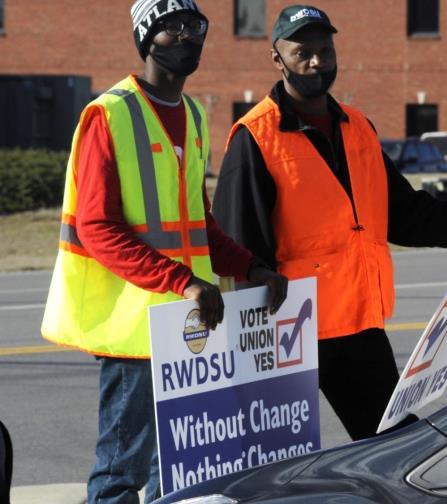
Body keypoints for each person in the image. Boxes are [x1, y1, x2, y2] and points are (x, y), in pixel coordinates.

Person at [213, 4, 447, 442]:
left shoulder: (358, 128)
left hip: (358, 327)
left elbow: (404, 213)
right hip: (285, 331)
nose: (317, 62)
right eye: (303, 52)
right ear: (277, 58)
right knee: (272, 460)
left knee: (394, 445)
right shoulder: (256, 137)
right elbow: (236, 243)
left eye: (325, 50)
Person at [40, 1, 288, 502]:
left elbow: (199, 226)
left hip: (187, 328)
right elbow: (96, 227)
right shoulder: (108, 114)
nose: (184, 37)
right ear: (145, 38)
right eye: (170, 28)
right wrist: (182, 281)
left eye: (193, 27)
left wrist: (251, 267)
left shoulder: (194, 116)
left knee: (178, 470)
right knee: (120, 473)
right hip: (132, 330)